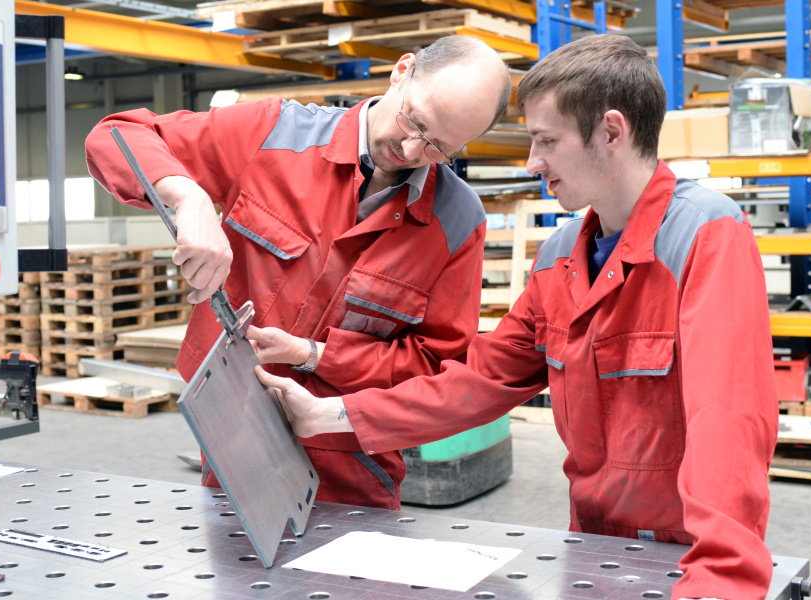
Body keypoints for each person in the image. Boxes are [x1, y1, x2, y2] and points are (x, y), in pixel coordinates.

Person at [257, 34, 778, 600]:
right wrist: (326, 415)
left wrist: (722, 582)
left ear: (610, 131)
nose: (533, 164)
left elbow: (727, 422)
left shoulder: (704, 236)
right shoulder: (559, 260)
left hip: (688, 561)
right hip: (596, 548)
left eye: (545, 142)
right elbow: (476, 384)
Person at [84, 36, 512, 510]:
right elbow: (115, 136)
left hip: (357, 466)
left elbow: (435, 366)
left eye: (438, 147)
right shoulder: (275, 134)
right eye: (414, 121)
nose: (410, 149)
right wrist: (188, 196)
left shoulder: (456, 220)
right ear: (402, 70)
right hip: (235, 443)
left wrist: (314, 354)